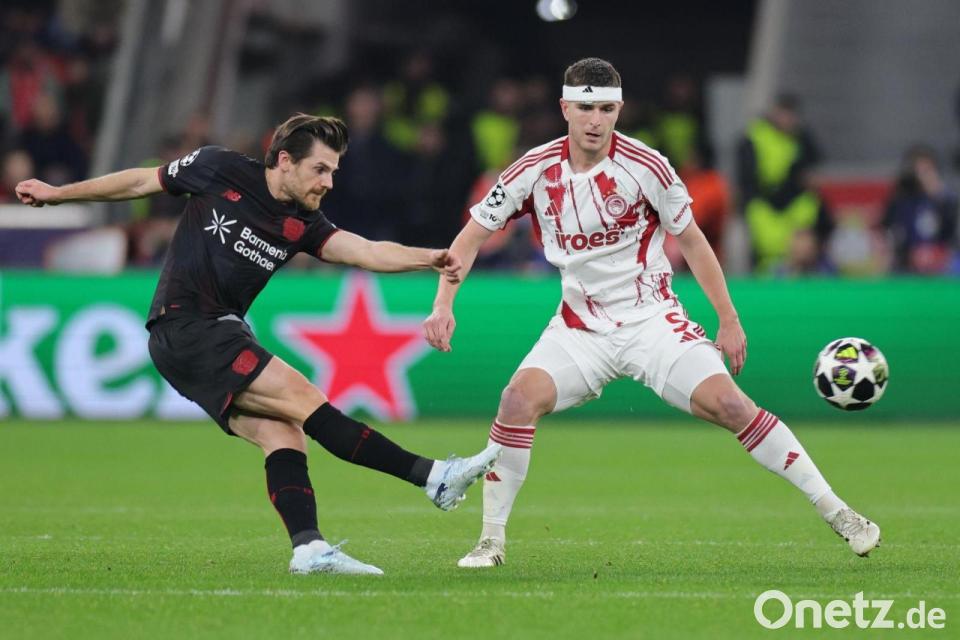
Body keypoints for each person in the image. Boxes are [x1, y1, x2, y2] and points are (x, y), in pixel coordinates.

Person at [422, 58, 880, 568]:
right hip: (578, 328)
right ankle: (490, 541)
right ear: (564, 109)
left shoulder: (647, 166)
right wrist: (443, 304)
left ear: (619, 110)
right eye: (585, 109)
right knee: (515, 401)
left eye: (606, 109)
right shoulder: (532, 170)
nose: (595, 120)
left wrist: (728, 318)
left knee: (732, 406)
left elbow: (694, 241)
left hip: (652, 321)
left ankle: (838, 511)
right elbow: (470, 238)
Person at [15, 113, 501, 576]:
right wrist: (59, 194)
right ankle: (433, 477)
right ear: (285, 160)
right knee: (307, 400)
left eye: (333, 171)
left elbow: (366, 251)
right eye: (320, 169)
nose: (329, 182)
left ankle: (308, 548)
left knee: (283, 433)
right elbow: (141, 182)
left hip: (200, 338)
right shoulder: (218, 168)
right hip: (189, 325)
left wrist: (428, 258)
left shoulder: (304, 222)